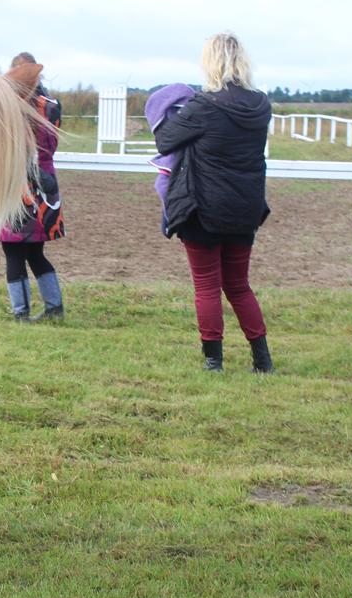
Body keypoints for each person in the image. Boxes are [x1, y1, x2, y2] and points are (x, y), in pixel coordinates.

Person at [153, 33, 273, 373]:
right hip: (245, 208)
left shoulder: (204, 106)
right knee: (238, 285)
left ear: (210, 63)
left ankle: (213, 361)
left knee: (206, 286)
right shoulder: (261, 105)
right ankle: (262, 360)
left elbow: (164, 140)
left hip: (203, 208)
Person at [0, 52, 66, 322]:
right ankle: (54, 307)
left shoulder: (12, 105)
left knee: (12, 252)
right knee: (36, 252)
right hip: (46, 181)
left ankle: (20, 313)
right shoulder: (52, 105)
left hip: (18, 182)